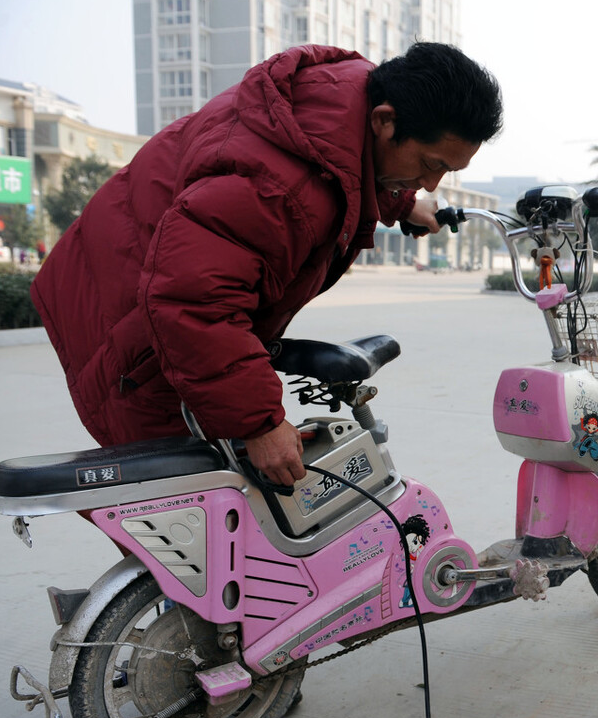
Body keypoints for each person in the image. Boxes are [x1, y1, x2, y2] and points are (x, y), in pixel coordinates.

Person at [31, 42, 503, 486]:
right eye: (429, 163)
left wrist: (400, 202)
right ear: (385, 121)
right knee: (190, 521)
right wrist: (259, 422)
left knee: (216, 510)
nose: (432, 183)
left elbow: (349, 169)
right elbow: (192, 303)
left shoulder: (344, 101)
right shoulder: (276, 185)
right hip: (130, 319)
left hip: (151, 276)